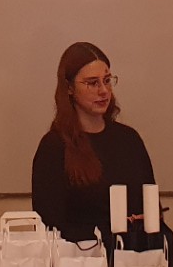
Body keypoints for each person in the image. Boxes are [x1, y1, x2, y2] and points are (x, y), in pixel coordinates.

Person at [31, 41, 156, 243]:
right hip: (81, 257)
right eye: (92, 83)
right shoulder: (54, 147)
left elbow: (151, 204)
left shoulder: (129, 140)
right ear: (69, 88)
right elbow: (50, 225)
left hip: (134, 253)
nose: (104, 91)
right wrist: (105, 232)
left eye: (107, 80)